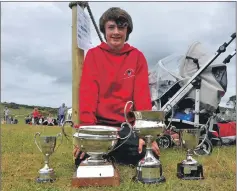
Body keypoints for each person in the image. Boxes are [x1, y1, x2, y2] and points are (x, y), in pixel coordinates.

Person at [73, 7, 160, 166]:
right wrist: (87, 134)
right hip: (99, 125)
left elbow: (142, 98)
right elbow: (88, 95)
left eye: (121, 27)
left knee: (146, 155)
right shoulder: (93, 55)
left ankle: (110, 153)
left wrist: (146, 136)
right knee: (81, 160)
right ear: (104, 30)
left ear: (128, 30)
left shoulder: (137, 57)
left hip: (125, 126)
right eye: (111, 27)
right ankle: (105, 153)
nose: (116, 32)